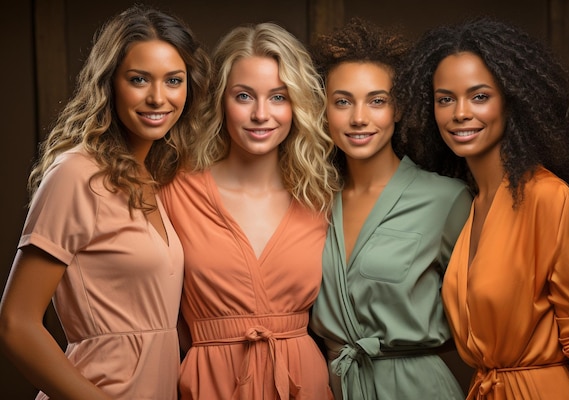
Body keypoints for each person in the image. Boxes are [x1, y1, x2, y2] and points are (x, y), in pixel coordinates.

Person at [398, 16, 569, 399]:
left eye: (479, 96)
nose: (460, 113)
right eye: (445, 99)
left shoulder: (547, 197)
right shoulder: (471, 203)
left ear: (512, 101)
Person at [0, 5, 210, 400]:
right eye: (139, 79)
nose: (158, 97)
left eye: (174, 80)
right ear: (110, 83)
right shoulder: (76, 173)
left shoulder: (153, 178)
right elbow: (16, 323)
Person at [159, 22, 339, 399]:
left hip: (301, 381)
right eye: (244, 96)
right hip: (209, 382)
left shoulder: (320, 197)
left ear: (297, 104)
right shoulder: (176, 192)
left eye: (278, 97)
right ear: (220, 101)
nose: (261, 114)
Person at [308, 18, 473, 400]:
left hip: (417, 388)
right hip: (331, 386)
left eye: (377, 101)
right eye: (343, 101)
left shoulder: (445, 200)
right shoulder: (310, 199)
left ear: (398, 110)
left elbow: (486, 318)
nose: (359, 118)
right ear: (323, 109)